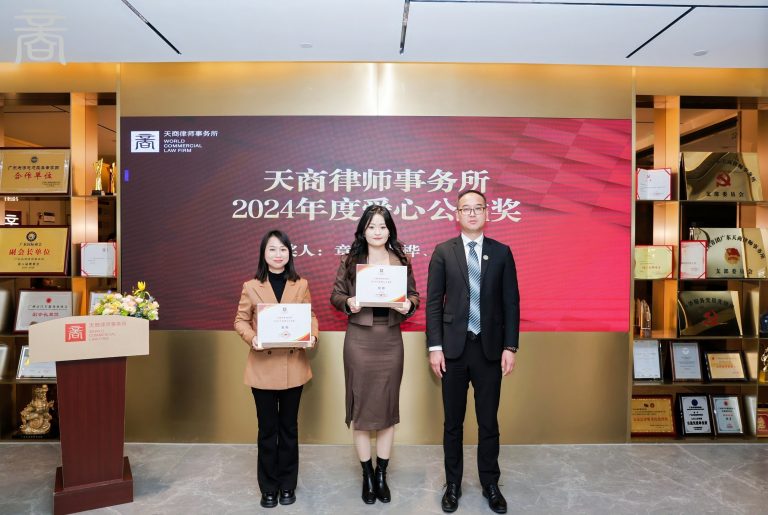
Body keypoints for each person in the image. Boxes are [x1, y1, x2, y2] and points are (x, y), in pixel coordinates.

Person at [426, 190, 520, 514]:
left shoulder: (502, 253)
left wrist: (510, 346)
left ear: (487, 213)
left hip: (489, 350)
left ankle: (490, 483)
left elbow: (511, 303)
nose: (471, 213)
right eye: (465, 209)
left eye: (477, 208)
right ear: (457, 215)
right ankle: (452, 484)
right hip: (453, 351)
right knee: (453, 423)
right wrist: (435, 347)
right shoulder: (443, 252)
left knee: (488, 422)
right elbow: (433, 304)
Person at [330, 204, 420, 505]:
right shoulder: (350, 260)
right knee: (361, 408)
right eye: (371, 227)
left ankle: (382, 473)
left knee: (386, 407)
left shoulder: (401, 260)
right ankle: (367, 474)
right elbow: (336, 295)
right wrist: (349, 303)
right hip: (359, 339)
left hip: (390, 339)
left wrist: (408, 304)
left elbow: (414, 295)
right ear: (363, 231)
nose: (377, 232)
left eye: (383, 226)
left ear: (390, 230)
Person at [234, 229, 319, 509]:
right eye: (272, 249)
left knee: (289, 429)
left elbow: (311, 316)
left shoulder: (301, 284)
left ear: (289, 253)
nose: (278, 254)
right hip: (263, 368)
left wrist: (312, 335)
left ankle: (287, 485)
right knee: (268, 431)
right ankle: (268, 487)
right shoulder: (251, 286)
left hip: (294, 366)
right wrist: (252, 338)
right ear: (263, 253)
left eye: (283, 249)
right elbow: (240, 321)